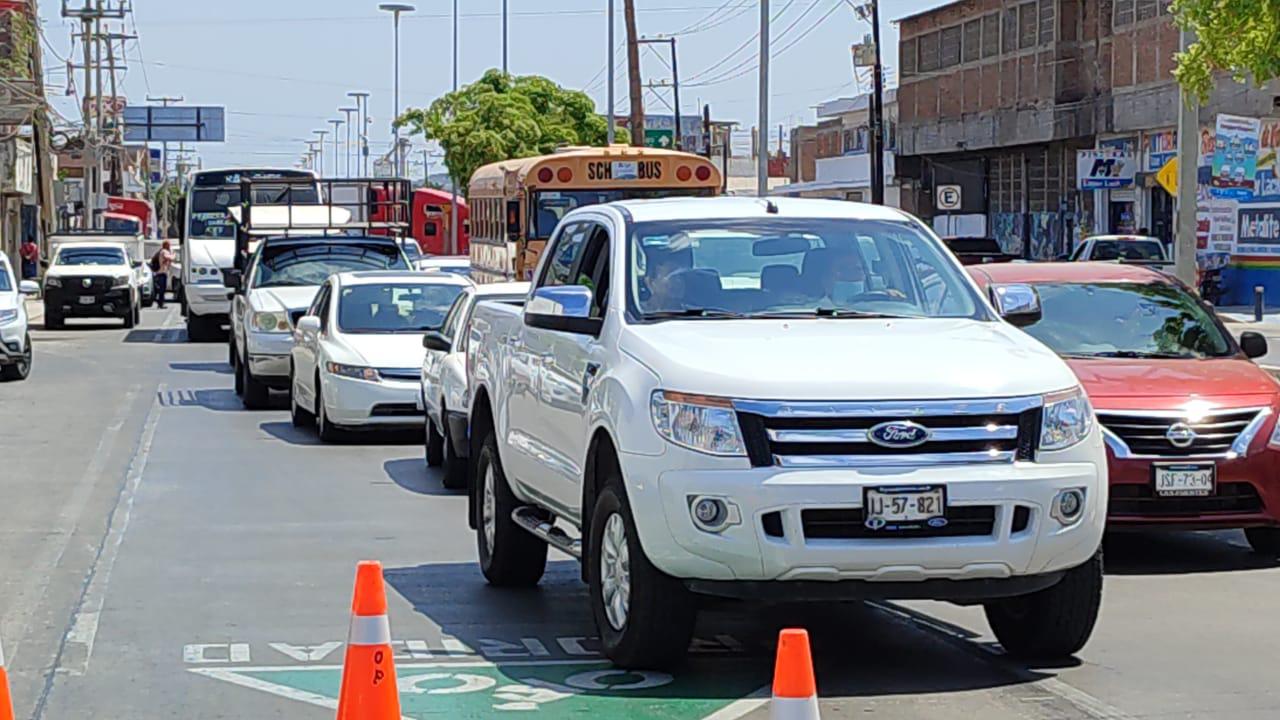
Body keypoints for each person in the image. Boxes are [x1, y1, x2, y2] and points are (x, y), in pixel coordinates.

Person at [154, 240, 175, 309]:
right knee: (162, 289)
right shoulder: (164, 251)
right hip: (161, 273)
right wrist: (173, 255)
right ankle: (160, 304)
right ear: (166, 245)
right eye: (169, 245)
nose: (170, 246)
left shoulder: (163, 251)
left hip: (162, 272)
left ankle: (160, 303)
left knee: (162, 289)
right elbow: (169, 258)